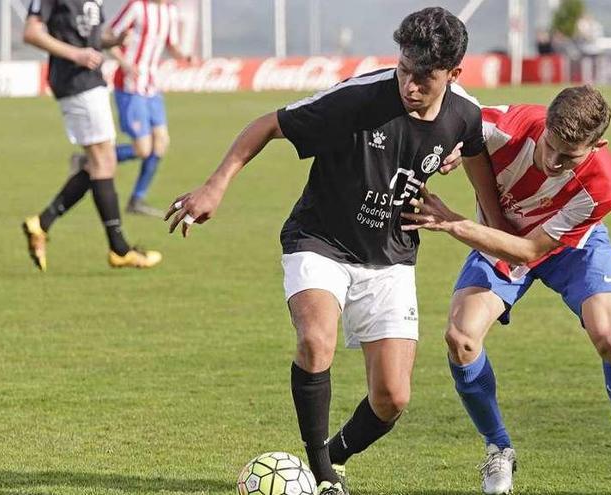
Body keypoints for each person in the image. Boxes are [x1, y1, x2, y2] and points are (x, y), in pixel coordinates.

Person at [163, 7, 505, 495]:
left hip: (391, 256)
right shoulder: (358, 98)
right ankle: (321, 475)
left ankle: (334, 455)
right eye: (404, 70)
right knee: (315, 341)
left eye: (423, 80)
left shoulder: (464, 114)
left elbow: (475, 149)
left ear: (453, 75)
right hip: (319, 239)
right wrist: (215, 186)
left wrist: (489, 228)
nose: (409, 86)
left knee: (392, 397)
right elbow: (269, 125)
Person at [402, 86, 611, 495]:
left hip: (571, 247)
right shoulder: (501, 128)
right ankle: (498, 448)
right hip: (499, 236)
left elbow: (531, 250)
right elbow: (450, 117)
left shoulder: (603, 188)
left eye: (569, 156)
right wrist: (448, 145)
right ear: (545, 124)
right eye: (550, 145)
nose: (553, 162)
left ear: (598, 145)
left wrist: (454, 223)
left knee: (610, 337)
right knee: (460, 338)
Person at [21, 0, 162, 271]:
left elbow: (94, 38)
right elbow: (31, 32)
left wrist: (115, 38)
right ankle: (118, 249)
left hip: (91, 81)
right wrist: (75, 54)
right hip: (75, 82)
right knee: (102, 163)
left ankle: (42, 223)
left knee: (101, 163)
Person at [108, 0, 193, 217]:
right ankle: (92, 159)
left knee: (161, 143)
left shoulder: (169, 11)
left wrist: (183, 55)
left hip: (151, 88)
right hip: (129, 86)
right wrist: (126, 64)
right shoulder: (136, 7)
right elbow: (108, 38)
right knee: (142, 149)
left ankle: (137, 199)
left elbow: (170, 44)